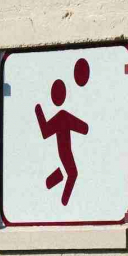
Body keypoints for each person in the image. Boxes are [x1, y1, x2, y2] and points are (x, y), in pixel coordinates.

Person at [36, 59, 91, 205]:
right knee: (73, 174)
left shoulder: (62, 116)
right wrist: (39, 112)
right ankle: (63, 200)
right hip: (64, 151)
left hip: (64, 151)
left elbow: (45, 131)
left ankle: (51, 183)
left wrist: (39, 112)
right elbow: (83, 128)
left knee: (70, 173)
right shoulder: (63, 116)